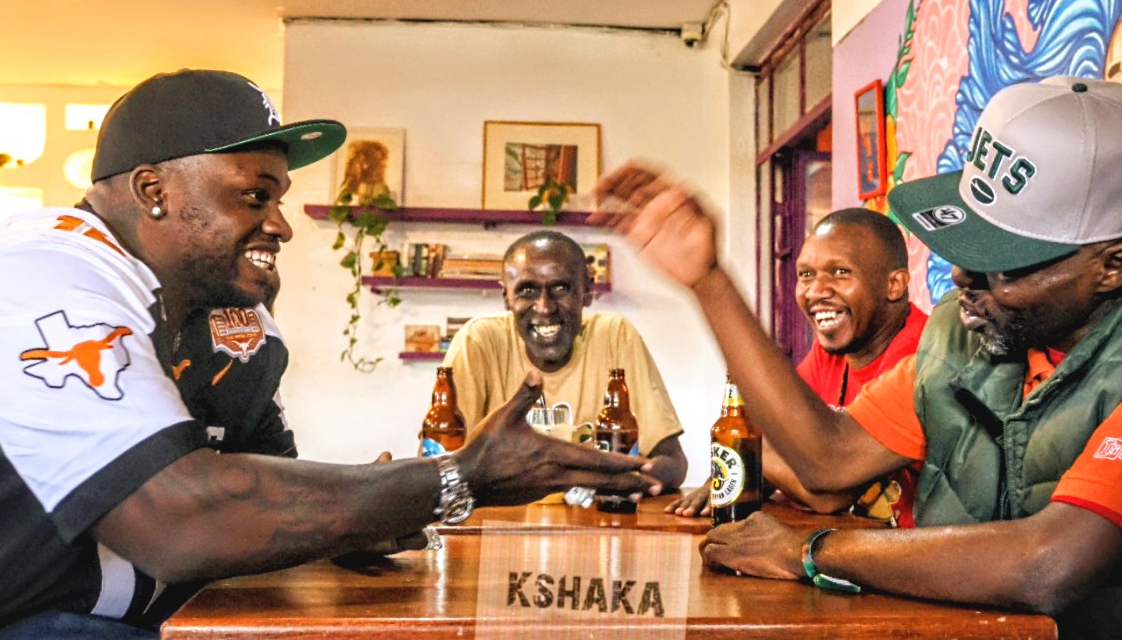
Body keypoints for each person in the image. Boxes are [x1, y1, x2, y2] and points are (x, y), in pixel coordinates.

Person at [0, 69, 661, 638]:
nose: (279, 225)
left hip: (168, 618)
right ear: (154, 191)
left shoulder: (237, 320)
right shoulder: (41, 269)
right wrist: (457, 477)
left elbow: (260, 497)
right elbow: (177, 519)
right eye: (255, 196)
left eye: (278, 198)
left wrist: (361, 520)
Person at [592, 75, 1122, 632]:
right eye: (965, 244)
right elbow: (828, 461)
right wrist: (709, 281)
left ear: (1111, 266)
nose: (962, 278)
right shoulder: (961, 340)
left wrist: (811, 551)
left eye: (1003, 263)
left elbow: (1048, 563)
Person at [666, 208, 928, 524]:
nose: (815, 291)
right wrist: (745, 470)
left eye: (840, 272)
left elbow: (828, 490)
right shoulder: (830, 354)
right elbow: (776, 437)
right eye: (806, 275)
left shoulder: (925, 357)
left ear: (894, 285)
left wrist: (747, 457)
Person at [443, 230, 688, 490]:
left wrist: (624, 482)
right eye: (527, 290)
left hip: (596, 514)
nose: (545, 307)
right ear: (506, 296)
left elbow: (672, 460)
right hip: (499, 515)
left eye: (560, 288)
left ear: (587, 291)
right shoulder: (478, 341)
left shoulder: (614, 335)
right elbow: (439, 466)